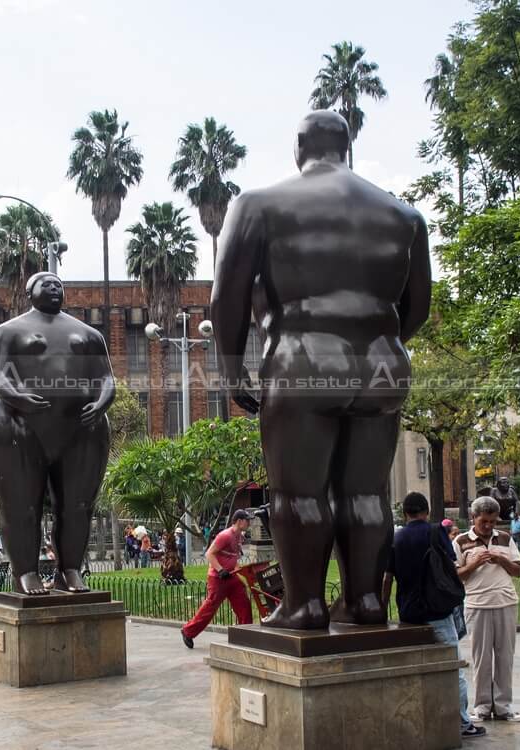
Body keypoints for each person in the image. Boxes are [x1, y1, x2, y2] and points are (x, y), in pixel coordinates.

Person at [211, 110, 430, 629]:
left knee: (299, 492)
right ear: (345, 146)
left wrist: (231, 369)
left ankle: (305, 604)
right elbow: (416, 306)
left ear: (299, 149)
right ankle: (366, 602)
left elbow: (226, 300)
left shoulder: (259, 204)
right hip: (381, 360)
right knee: (367, 493)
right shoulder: (404, 216)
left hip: (303, 358)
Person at [0, 272, 115, 594]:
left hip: (79, 428)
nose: (54, 288)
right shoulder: (7, 331)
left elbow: (106, 379)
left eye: (58, 284)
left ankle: (69, 569)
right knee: (21, 506)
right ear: (30, 291)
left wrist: (101, 404)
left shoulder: (87, 334)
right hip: (18, 426)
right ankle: (25, 571)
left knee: (77, 506)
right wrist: (17, 397)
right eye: (47, 284)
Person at [381, 493, 485, 740]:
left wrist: (383, 609)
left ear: (405, 513)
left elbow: (387, 578)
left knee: (414, 667)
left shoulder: (396, 538)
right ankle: (461, 722)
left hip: (408, 611)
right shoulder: (435, 531)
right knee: (452, 667)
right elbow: (449, 565)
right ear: (426, 511)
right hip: (437, 609)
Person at [454, 497, 520, 723]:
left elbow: (517, 571)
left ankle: (503, 706)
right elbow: (457, 575)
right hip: (477, 605)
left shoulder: (504, 538)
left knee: (505, 657)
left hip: (505, 602)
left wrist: (500, 559)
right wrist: (475, 563)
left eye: (493, 522)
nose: (488, 526)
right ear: (473, 518)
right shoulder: (461, 541)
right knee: (481, 658)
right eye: (484, 521)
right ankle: (482, 707)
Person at [181, 510, 253, 648]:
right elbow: (209, 554)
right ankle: (187, 631)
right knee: (210, 607)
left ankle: (246, 634)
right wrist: (220, 570)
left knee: (243, 603)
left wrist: (244, 572)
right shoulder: (225, 535)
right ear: (239, 521)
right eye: (247, 520)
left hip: (231, 577)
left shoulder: (239, 537)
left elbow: (232, 558)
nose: (249, 523)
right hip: (218, 578)